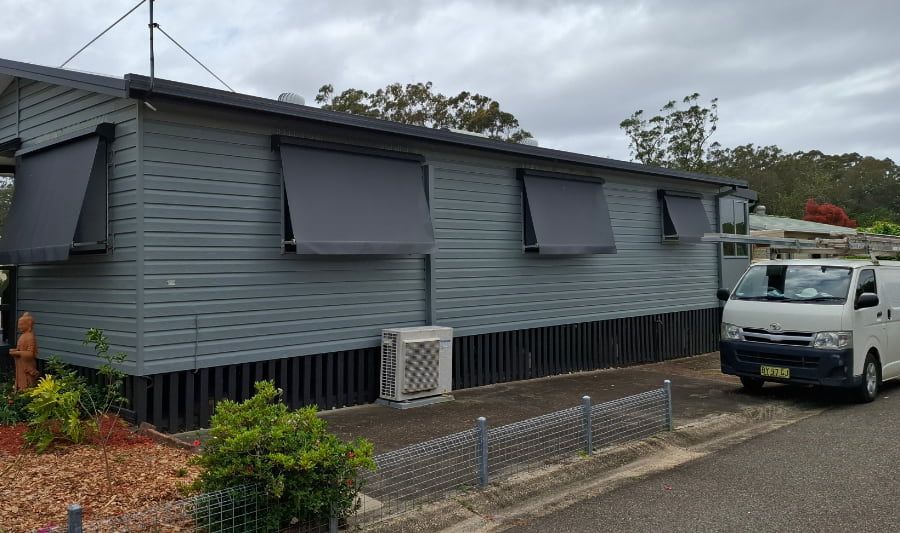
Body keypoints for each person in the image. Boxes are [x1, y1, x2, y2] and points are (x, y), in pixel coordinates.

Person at [9, 312, 38, 391]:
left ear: (28, 325)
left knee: (27, 382)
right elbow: (21, 349)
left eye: (21, 324)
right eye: (19, 324)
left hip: (27, 365)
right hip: (21, 363)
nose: (19, 327)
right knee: (20, 380)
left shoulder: (30, 337)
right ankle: (20, 392)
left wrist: (17, 353)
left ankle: (27, 395)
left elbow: (30, 354)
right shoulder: (23, 335)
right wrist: (15, 350)